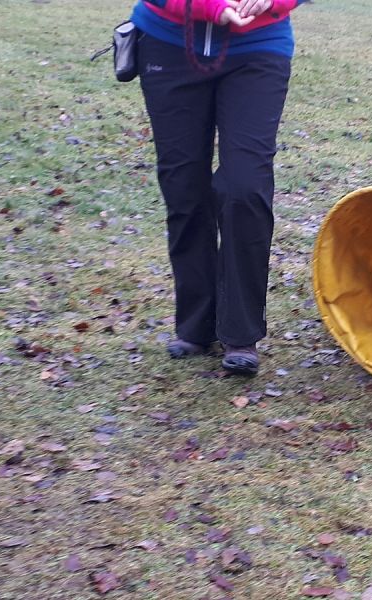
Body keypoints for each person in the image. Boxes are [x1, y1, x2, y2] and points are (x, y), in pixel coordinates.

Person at [129, 0, 307, 374]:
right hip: (169, 44)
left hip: (258, 48)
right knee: (184, 187)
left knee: (245, 185)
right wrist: (210, 6)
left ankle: (241, 332)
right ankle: (195, 325)